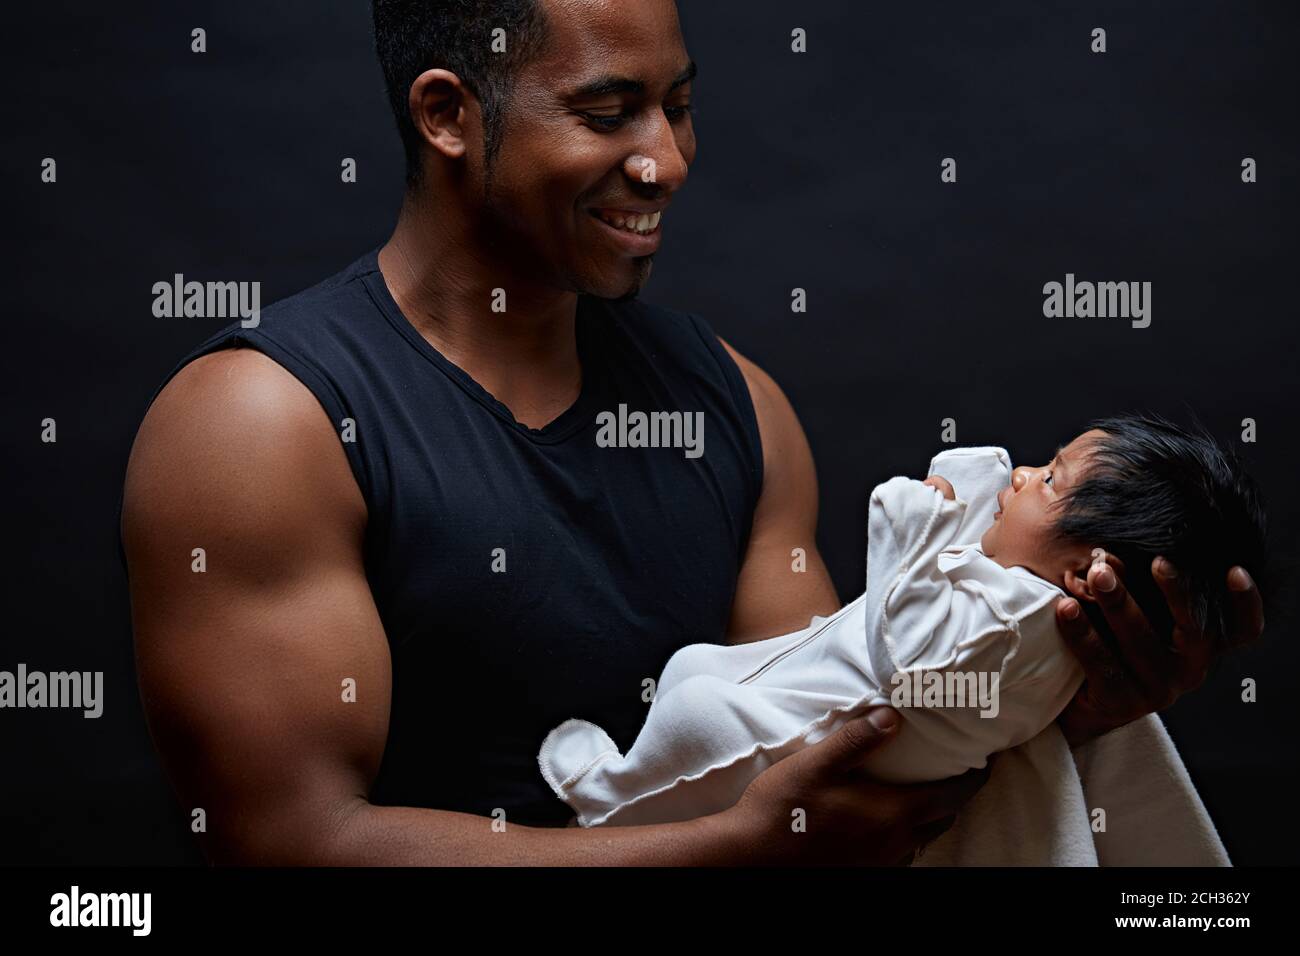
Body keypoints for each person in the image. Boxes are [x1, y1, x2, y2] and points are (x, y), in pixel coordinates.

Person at [120, 0, 1263, 865]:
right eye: (608, 111)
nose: (665, 160)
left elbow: (850, 740)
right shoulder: (261, 423)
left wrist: (1064, 695)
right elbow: (292, 843)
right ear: (448, 113)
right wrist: (727, 854)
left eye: (677, 105)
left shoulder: (739, 404)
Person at [539, 418, 1269, 828]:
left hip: (794, 747)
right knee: (699, 671)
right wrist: (984, 485)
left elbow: (907, 658)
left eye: (1049, 480)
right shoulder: (1037, 616)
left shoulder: (1018, 625)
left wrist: (911, 512)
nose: (1019, 475)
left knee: (698, 707)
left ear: (1088, 574)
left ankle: (605, 798)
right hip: (820, 714)